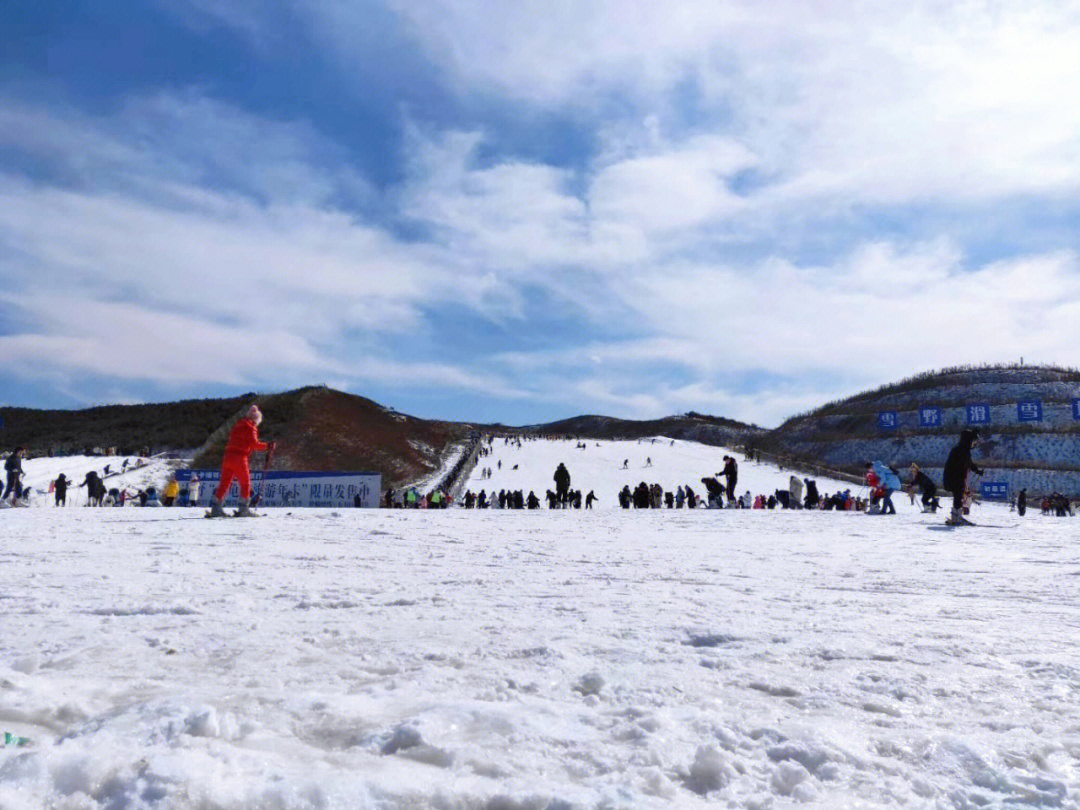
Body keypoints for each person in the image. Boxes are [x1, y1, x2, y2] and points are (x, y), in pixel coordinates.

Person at [208, 404, 274, 518]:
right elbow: (254, 444)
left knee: (225, 483)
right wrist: (268, 446)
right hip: (239, 457)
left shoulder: (237, 425)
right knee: (245, 483)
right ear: (256, 419)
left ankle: (215, 508)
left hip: (227, 457)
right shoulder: (250, 427)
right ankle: (243, 509)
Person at [943, 428, 982, 526]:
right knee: (958, 495)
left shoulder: (962, 450)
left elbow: (969, 463)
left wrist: (977, 470)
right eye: (973, 441)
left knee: (958, 496)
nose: (975, 444)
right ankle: (956, 517)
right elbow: (963, 464)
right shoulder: (960, 451)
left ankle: (956, 516)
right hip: (954, 478)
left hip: (956, 478)